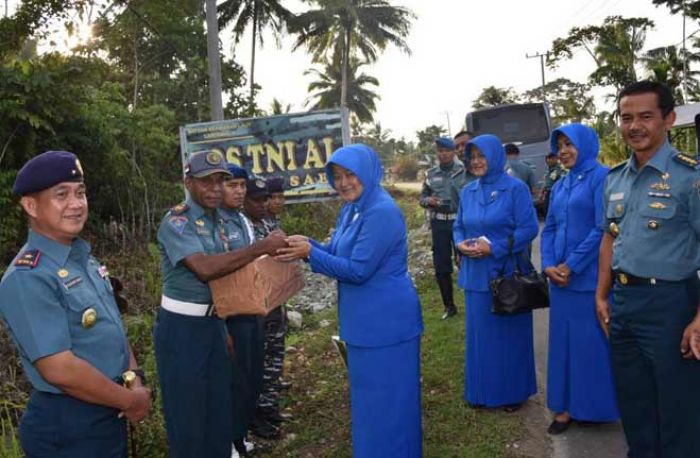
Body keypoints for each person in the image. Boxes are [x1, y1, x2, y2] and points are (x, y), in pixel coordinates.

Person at [0, 150, 151, 457]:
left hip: (107, 407)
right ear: (31, 205)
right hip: (69, 424)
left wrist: (133, 380)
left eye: (80, 193)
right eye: (61, 195)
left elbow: (113, 327)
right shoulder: (28, 276)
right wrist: (129, 401)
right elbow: (60, 370)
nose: (76, 204)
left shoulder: (83, 258)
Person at [276, 144, 424, 457]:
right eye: (337, 176)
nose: (343, 183)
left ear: (368, 173)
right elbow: (339, 250)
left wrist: (311, 254)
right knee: (370, 402)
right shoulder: (353, 208)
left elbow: (358, 270)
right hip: (364, 323)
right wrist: (311, 244)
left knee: (390, 403)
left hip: (387, 325)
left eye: (350, 175)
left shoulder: (381, 212)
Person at [154, 151, 285, 458]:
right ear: (188, 183)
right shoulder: (178, 221)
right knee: (188, 417)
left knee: (218, 411)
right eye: (205, 182)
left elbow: (227, 280)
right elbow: (205, 268)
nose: (214, 188)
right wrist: (260, 248)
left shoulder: (221, 221)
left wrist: (223, 326)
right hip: (182, 329)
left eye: (220, 181)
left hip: (215, 321)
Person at [596, 81, 700, 458]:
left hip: (671, 305)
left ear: (668, 119)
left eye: (645, 116)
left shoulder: (691, 177)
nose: (634, 126)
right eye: (626, 118)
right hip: (623, 304)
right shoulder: (615, 179)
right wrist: (601, 294)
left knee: (678, 409)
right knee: (634, 404)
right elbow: (610, 237)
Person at [540, 124, 618, 435]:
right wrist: (547, 265)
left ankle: (593, 407)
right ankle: (564, 409)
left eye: (569, 144)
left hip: (589, 280)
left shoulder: (603, 177)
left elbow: (603, 228)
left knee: (590, 347)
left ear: (585, 144)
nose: (563, 151)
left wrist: (570, 265)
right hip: (559, 283)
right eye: (559, 145)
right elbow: (549, 228)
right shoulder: (560, 184)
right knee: (562, 346)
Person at [454, 134, 538, 411]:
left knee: (509, 337)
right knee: (481, 338)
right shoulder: (468, 191)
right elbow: (459, 225)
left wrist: (496, 248)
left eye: (482, 156)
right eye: (472, 157)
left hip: (507, 275)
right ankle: (481, 392)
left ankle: (513, 393)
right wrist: (459, 243)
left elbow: (528, 230)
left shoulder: (516, 189)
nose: (476, 162)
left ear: (495, 157)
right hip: (476, 276)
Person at [255, 175, 292, 427]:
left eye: (280, 197)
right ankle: (264, 410)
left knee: (275, 350)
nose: (275, 202)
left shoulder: (270, 223)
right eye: (271, 198)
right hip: (262, 301)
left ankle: (270, 397)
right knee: (267, 353)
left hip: (275, 297)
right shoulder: (252, 225)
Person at [420, 137, 468, 319]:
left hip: (459, 222)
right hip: (439, 223)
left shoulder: (464, 171)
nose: (443, 154)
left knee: (465, 260)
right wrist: (428, 201)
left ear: (454, 151)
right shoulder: (430, 174)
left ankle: (471, 299)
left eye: (447, 150)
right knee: (441, 266)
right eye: (440, 151)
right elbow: (422, 197)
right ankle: (449, 306)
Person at [536, 151, 566, 217]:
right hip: (548, 193)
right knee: (547, 210)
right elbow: (545, 183)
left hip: (557, 193)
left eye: (551, 158)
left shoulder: (560, 170)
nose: (549, 160)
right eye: (547, 159)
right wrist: (541, 194)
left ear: (556, 159)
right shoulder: (548, 171)